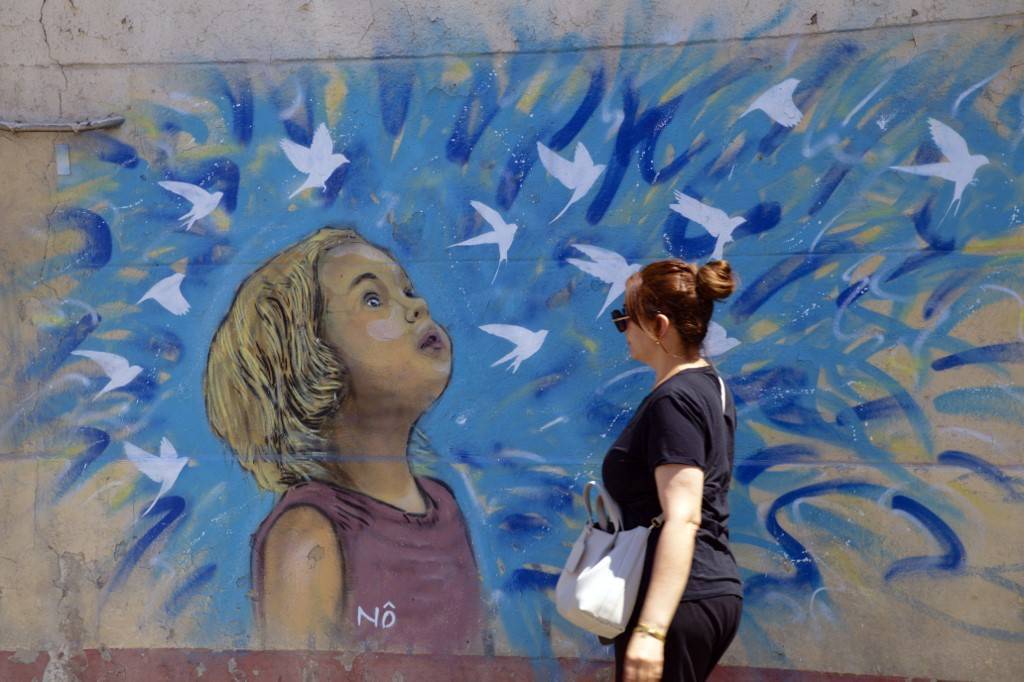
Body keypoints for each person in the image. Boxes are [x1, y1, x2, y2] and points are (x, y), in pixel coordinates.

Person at [204, 226, 482, 653]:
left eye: (407, 290)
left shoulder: (443, 506)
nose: (417, 306)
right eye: (373, 299)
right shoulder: (308, 535)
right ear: (312, 364)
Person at [602, 258, 743, 682]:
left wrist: (651, 630)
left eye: (626, 318)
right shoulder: (710, 386)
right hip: (704, 589)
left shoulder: (674, 401)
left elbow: (683, 516)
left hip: (680, 600)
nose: (622, 329)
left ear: (660, 326)